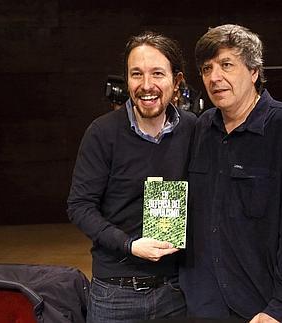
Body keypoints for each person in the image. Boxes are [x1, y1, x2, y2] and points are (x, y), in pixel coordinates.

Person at [180, 24, 282, 323]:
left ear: (253, 72)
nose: (214, 78)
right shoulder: (201, 128)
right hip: (202, 308)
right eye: (207, 68)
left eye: (226, 65)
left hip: (262, 310)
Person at [67, 31, 196, 323]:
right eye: (136, 74)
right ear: (127, 80)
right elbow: (79, 206)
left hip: (176, 291)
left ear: (176, 82)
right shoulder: (102, 132)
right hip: (115, 294)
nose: (146, 85)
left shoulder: (193, 129)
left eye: (157, 74)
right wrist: (128, 245)